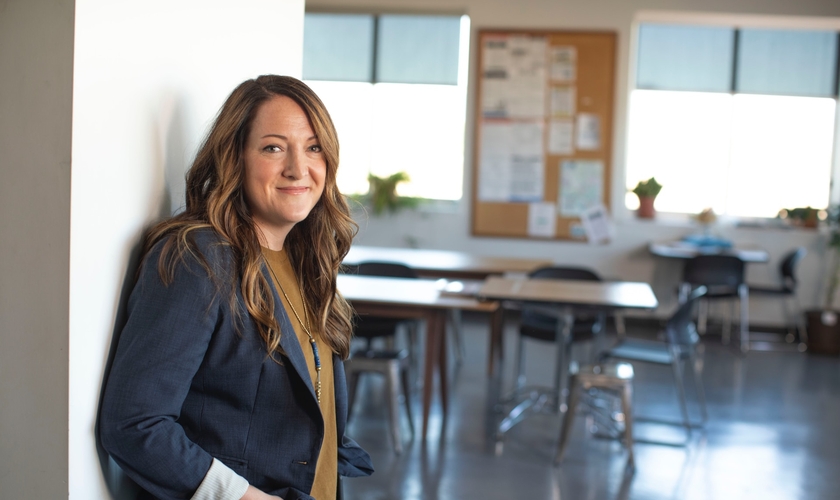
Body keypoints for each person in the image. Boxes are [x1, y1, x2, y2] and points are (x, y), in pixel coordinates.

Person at [99, 75, 373, 500]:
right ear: (236, 157)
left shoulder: (307, 260)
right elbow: (135, 423)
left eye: (313, 146)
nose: (298, 168)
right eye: (273, 147)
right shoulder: (200, 259)